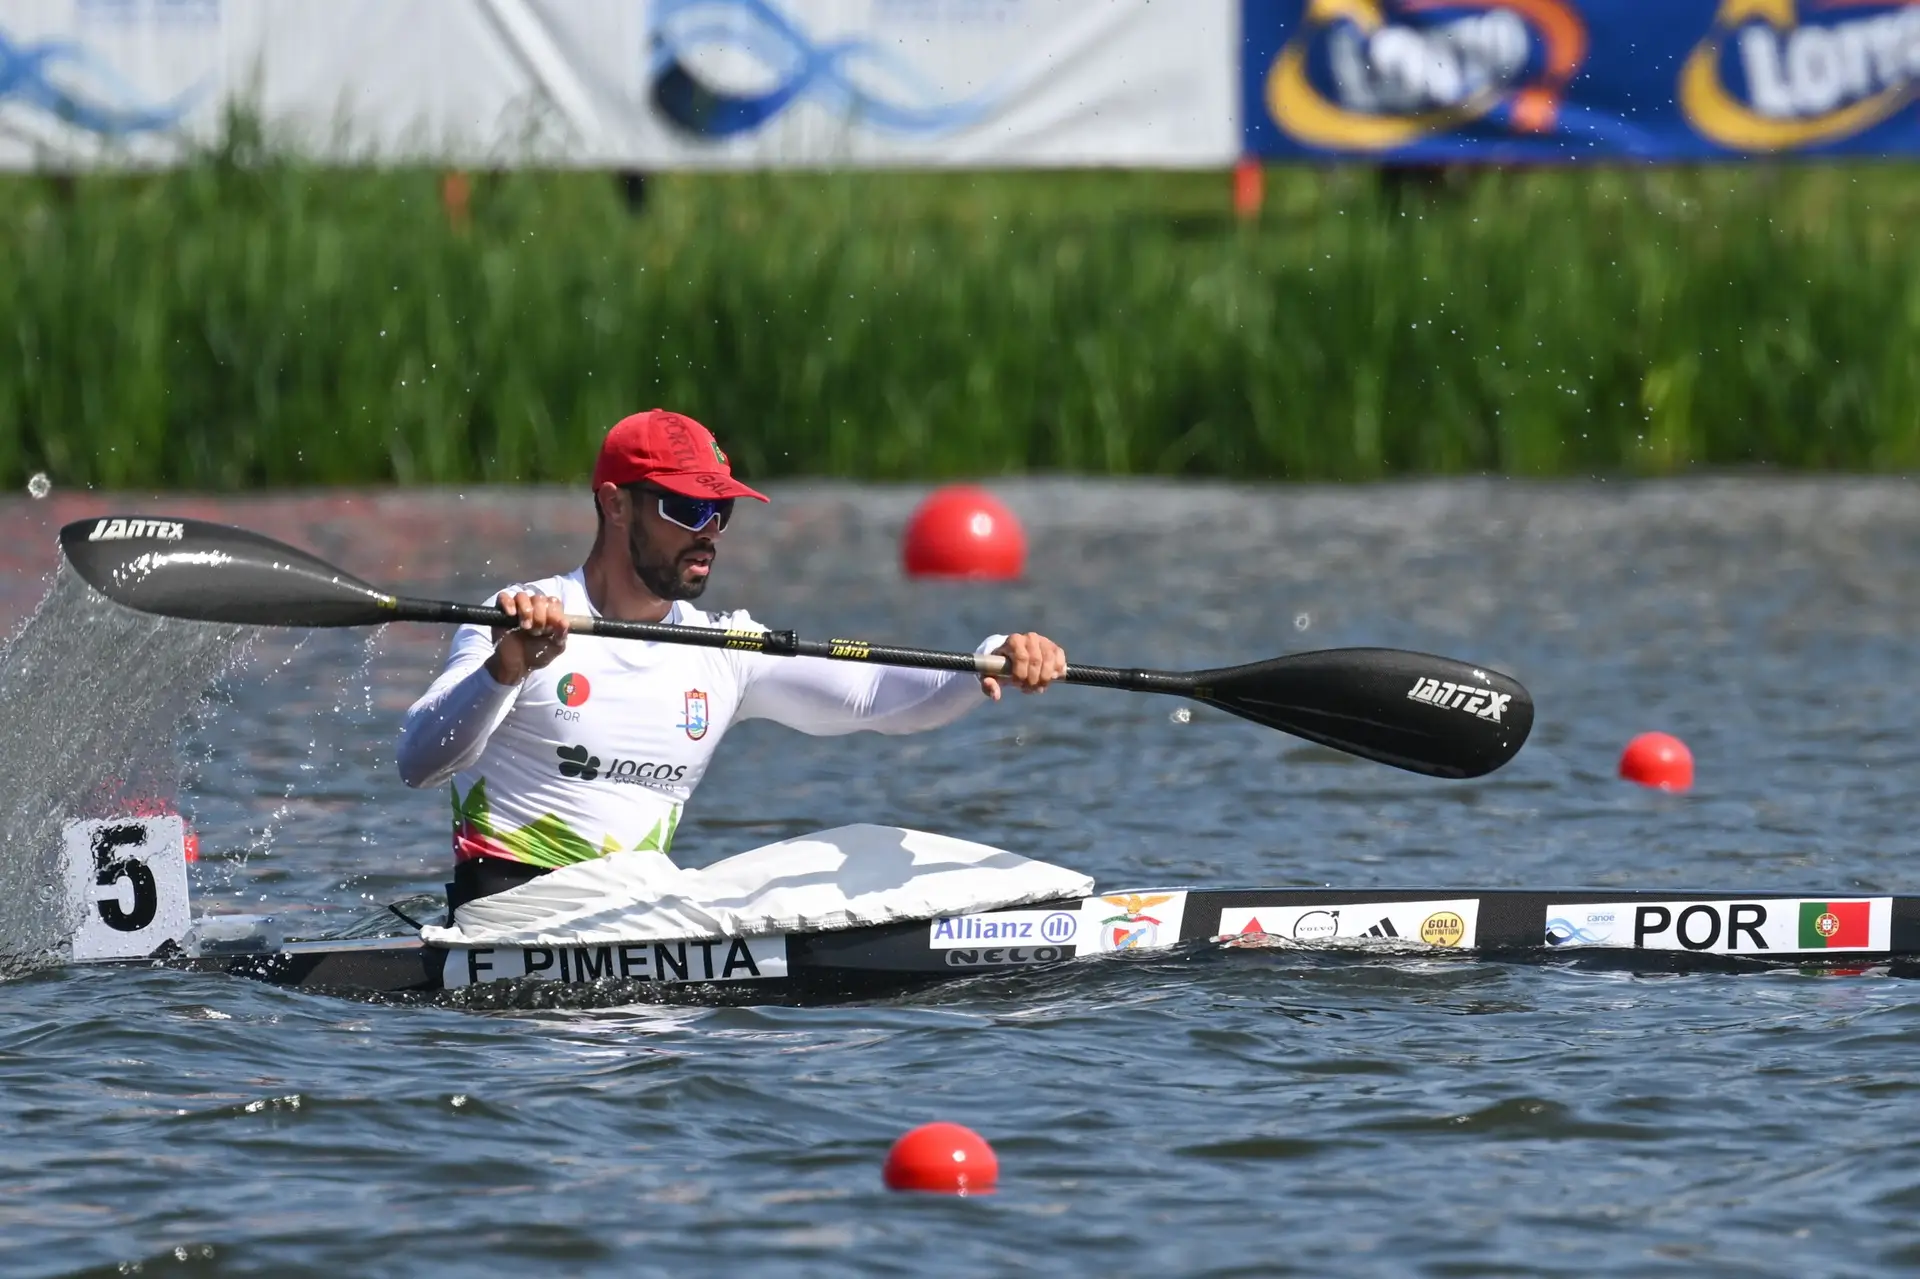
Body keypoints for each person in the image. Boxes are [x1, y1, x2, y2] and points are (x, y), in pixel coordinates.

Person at [397, 409, 1066, 911]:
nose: (710, 533)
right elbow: (418, 760)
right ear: (615, 503)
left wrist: (987, 659)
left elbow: (872, 698)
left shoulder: (723, 649)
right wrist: (506, 668)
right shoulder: (518, 613)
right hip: (506, 927)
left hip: (638, 932)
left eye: (720, 510)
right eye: (688, 508)